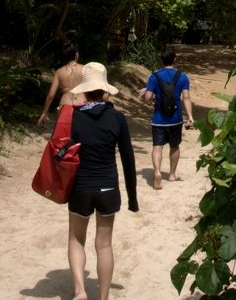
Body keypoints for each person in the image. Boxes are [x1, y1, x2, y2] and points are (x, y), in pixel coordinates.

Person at [66, 61, 138, 300]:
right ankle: (103, 296)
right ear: (105, 90)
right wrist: (133, 199)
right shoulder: (117, 118)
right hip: (108, 186)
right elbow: (128, 160)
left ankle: (80, 290)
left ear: (85, 90)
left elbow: (63, 153)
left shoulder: (72, 117)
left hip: (80, 186)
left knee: (76, 238)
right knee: (104, 244)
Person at [137, 47, 194, 189]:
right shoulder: (183, 76)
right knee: (174, 146)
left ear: (161, 60)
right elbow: (186, 97)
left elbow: (148, 98)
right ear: (174, 59)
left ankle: (157, 172)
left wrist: (148, 91)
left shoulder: (154, 76)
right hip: (176, 119)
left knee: (157, 147)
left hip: (158, 120)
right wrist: (190, 117)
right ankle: (172, 174)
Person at [37, 40, 85, 128]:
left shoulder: (59, 72)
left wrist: (44, 112)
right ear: (76, 54)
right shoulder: (85, 69)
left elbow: (51, 95)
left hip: (65, 107)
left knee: (63, 135)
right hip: (82, 107)